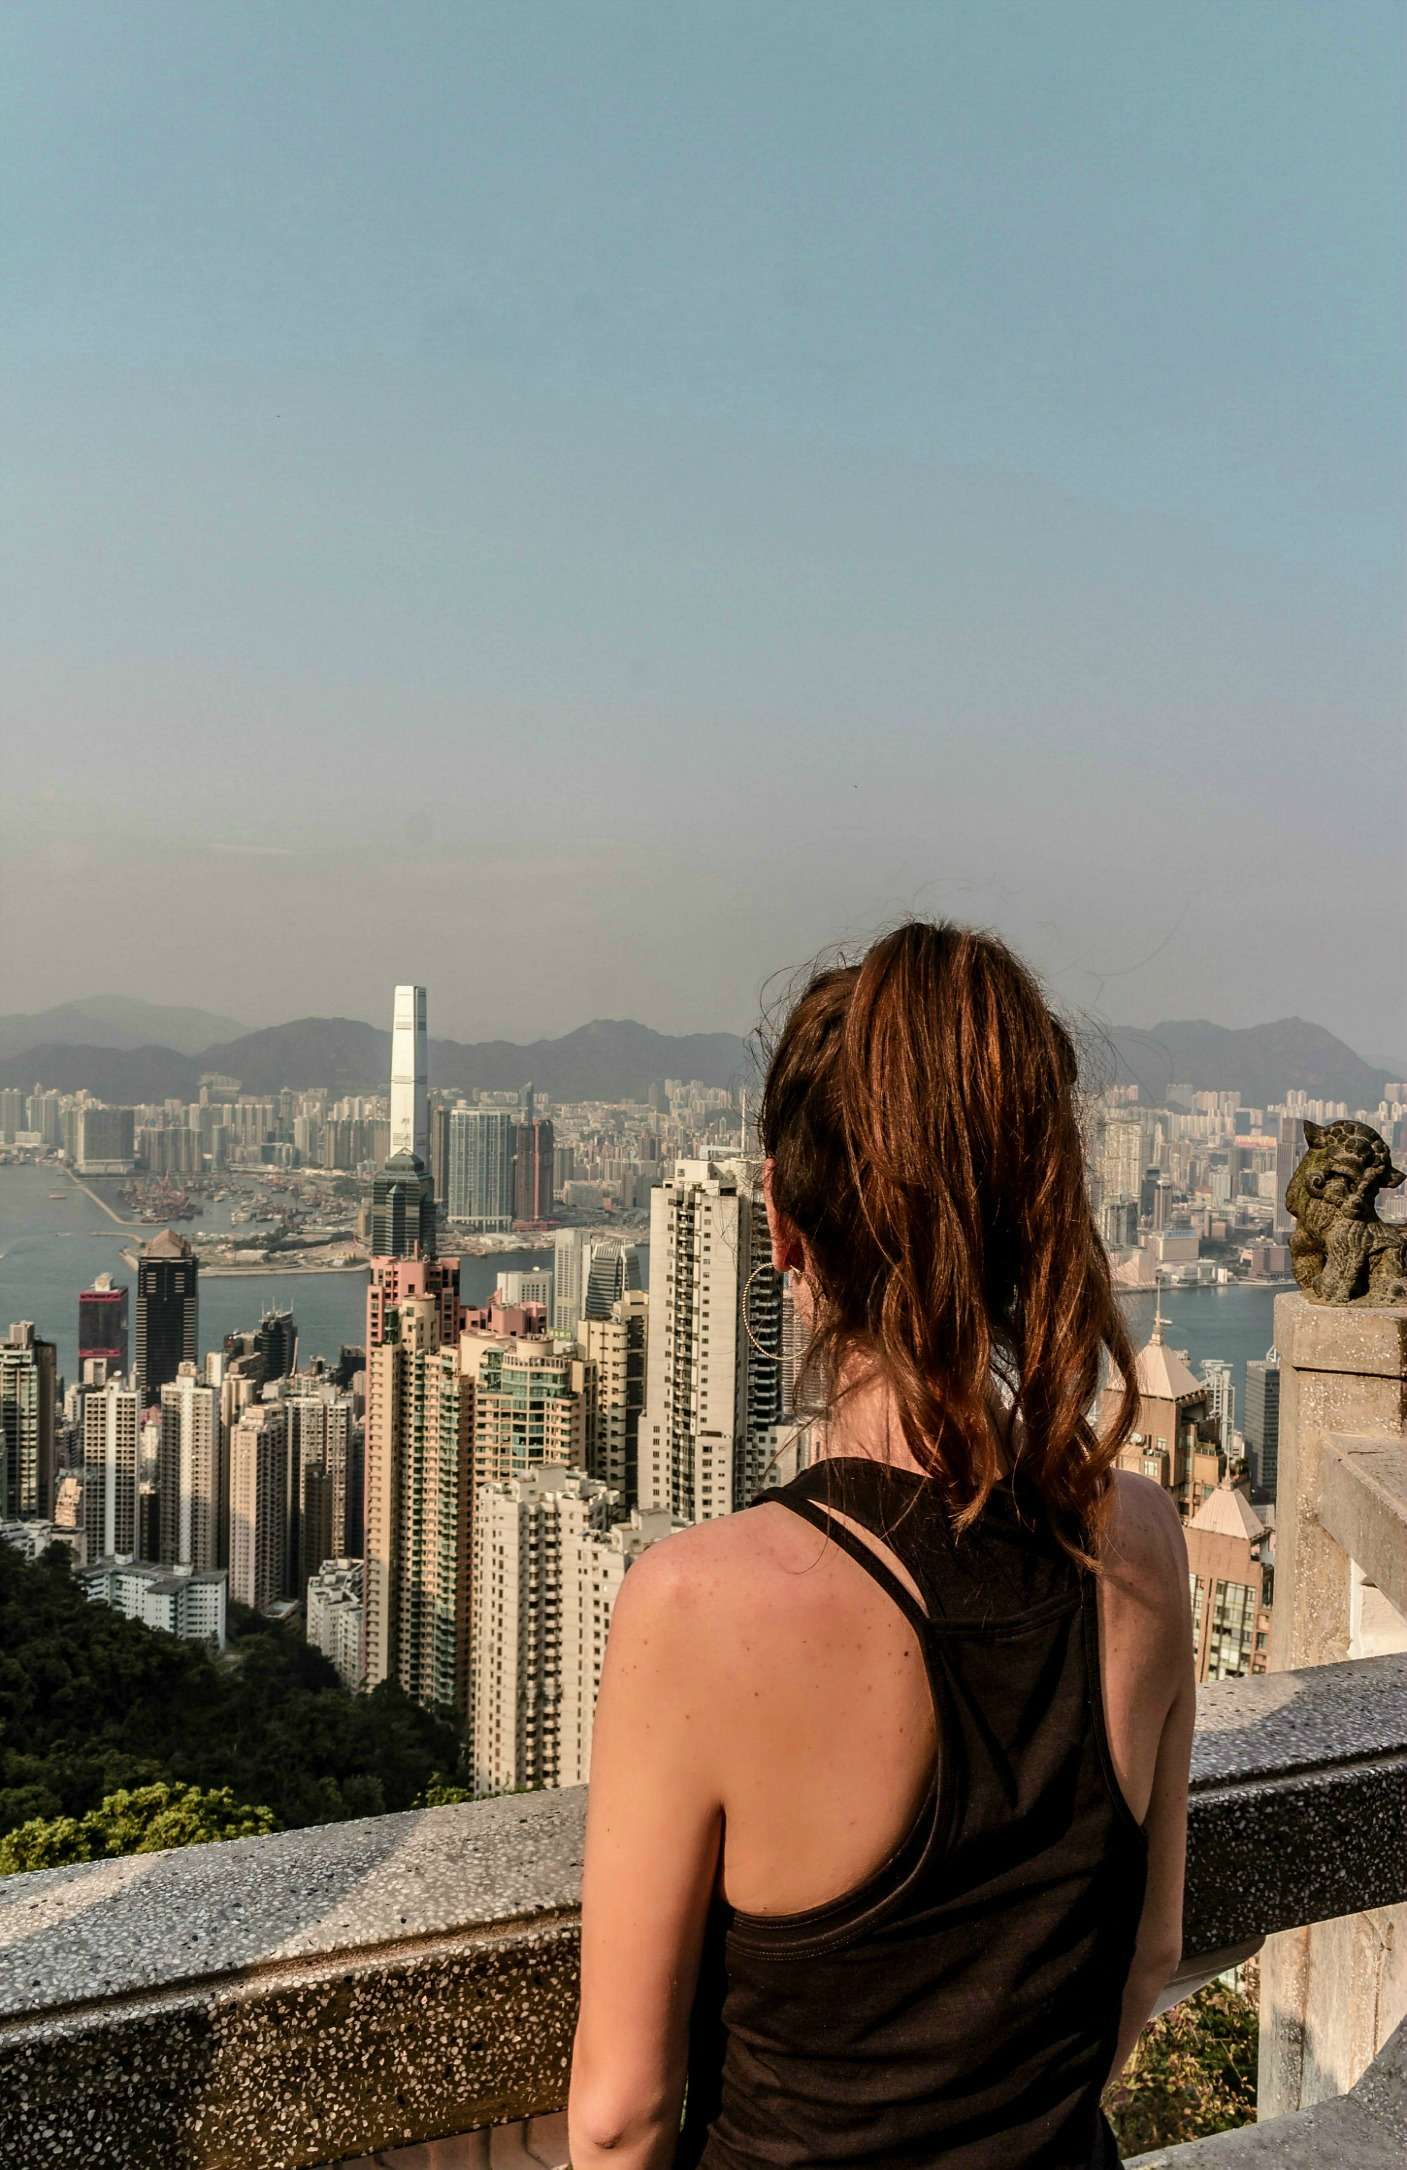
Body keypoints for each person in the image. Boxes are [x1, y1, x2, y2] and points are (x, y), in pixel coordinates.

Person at [568, 921, 1193, 2169]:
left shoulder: (698, 1604)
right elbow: (1150, 1958)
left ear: (785, 1232)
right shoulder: (1142, 1543)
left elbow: (620, 2114)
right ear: (1036, 1223)